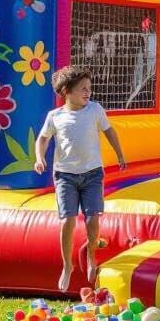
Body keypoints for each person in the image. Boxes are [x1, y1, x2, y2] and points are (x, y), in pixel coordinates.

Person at [34, 65, 126, 293]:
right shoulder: (55, 116)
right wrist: (39, 157)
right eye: (83, 89)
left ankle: (92, 257)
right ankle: (67, 265)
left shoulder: (94, 109)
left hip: (93, 173)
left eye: (89, 88)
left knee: (93, 219)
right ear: (66, 91)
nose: (88, 92)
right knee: (67, 221)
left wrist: (119, 153)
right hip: (65, 175)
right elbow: (42, 139)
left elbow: (109, 131)